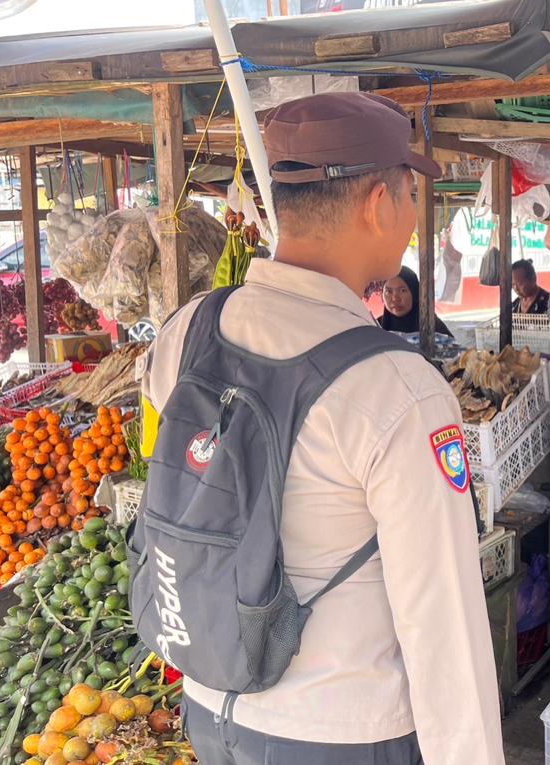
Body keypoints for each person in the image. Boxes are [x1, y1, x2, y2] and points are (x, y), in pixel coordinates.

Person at [142, 93, 503, 765]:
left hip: (209, 707)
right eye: (409, 193)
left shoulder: (188, 330)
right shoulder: (396, 389)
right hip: (340, 731)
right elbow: (443, 623)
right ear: (378, 203)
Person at [379, 265, 454, 337]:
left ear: (415, 292)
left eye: (402, 290)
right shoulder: (376, 326)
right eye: (388, 291)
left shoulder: (432, 325)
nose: (395, 298)